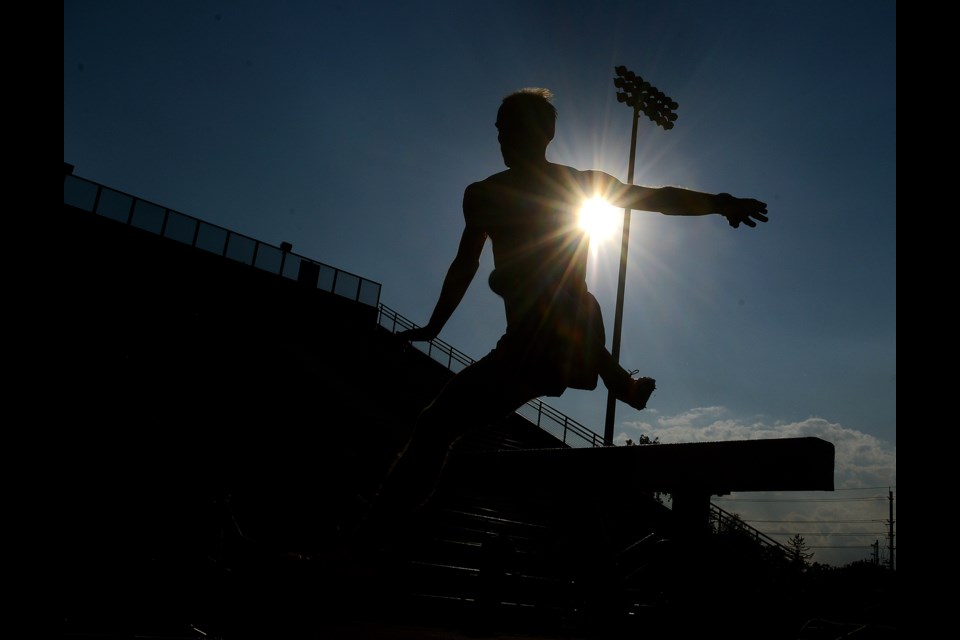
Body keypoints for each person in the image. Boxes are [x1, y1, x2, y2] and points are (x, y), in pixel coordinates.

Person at [363, 87, 768, 535]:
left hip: (555, 335)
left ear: (542, 134)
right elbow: (465, 264)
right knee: (438, 424)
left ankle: (376, 535)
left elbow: (653, 198)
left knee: (438, 421)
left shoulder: (554, 186)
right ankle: (617, 383)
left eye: (508, 130)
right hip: (536, 348)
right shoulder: (488, 194)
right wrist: (433, 326)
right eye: (499, 131)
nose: (501, 139)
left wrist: (718, 202)